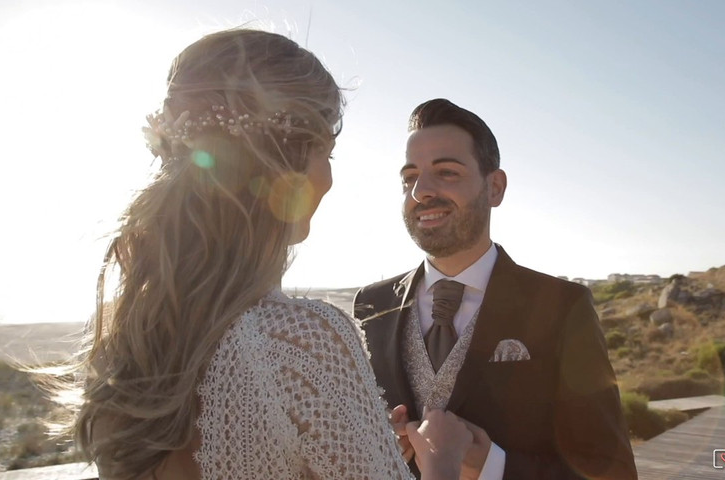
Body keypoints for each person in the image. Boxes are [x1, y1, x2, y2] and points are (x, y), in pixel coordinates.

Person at [55, 30, 472, 480]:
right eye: (325, 152)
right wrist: (442, 461)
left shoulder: (125, 337)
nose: (328, 176)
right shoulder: (300, 339)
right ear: (283, 165)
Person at [353, 98, 638, 479]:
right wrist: (373, 444)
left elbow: (613, 471)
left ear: (495, 188)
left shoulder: (563, 307)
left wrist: (490, 466)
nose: (421, 191)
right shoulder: (370, 305)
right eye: (409, 178)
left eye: (447, 172)